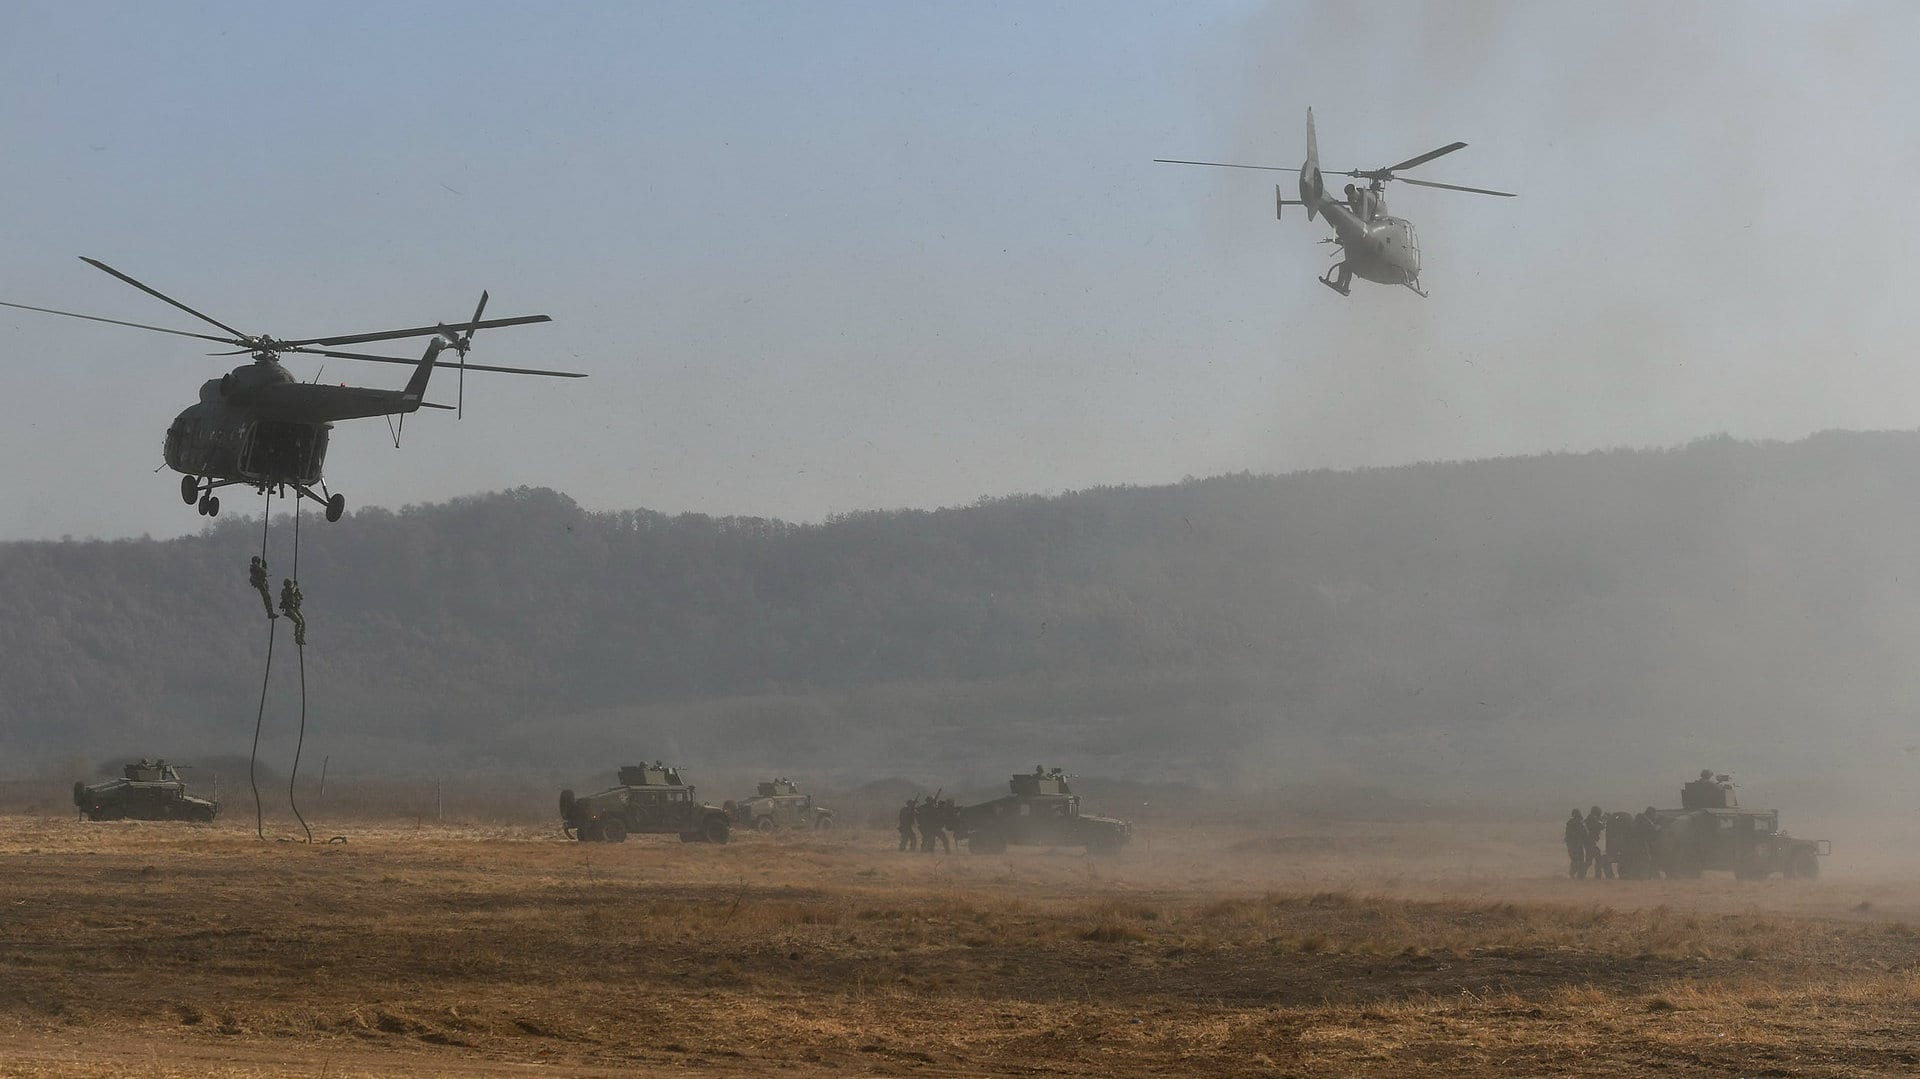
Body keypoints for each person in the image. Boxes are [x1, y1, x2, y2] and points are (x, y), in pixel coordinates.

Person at [278, 578, 306, 646]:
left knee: (303, 622)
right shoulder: (284, 591)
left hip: (295, 608)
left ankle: (301, 637)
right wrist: (295, 586)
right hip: (289, 609)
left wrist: (297, 591)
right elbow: (291, 593)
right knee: (299, 622)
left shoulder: (293, 590)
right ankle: (297, 638)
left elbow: (301, 597)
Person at [1583, 807, 1607, 879]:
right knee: (1598, 859)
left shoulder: (1590, 818)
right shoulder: (1592, 819)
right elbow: (1600, 826)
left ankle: (1581, 875)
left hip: (1589, 843)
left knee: (1589, 861)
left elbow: (1597, 824)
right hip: (1591, 843)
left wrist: (1602, 819)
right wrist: (1604, 820)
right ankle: (1597, 876)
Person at [1564, 809, 1588, 879]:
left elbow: (1567, 836)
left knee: (1575, 861)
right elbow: (1585, 834)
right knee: (1579, 861)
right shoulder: (1580, 823)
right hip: (1577, 845)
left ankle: (1573, 874)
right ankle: (1579, 876)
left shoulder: (1570, 824)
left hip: (1573, 845)